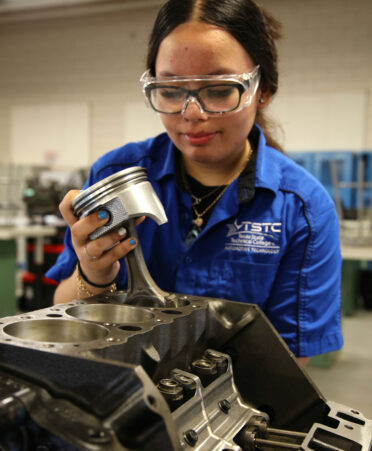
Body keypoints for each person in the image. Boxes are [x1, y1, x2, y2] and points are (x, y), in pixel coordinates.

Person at [46, 0, 343, 366]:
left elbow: (285, 368)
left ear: (261, 90)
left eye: (219, 90)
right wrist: (93, 274)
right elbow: (63, 312)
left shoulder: (302, 209)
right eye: (170, 91)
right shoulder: (115, 176)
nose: (191, 114)